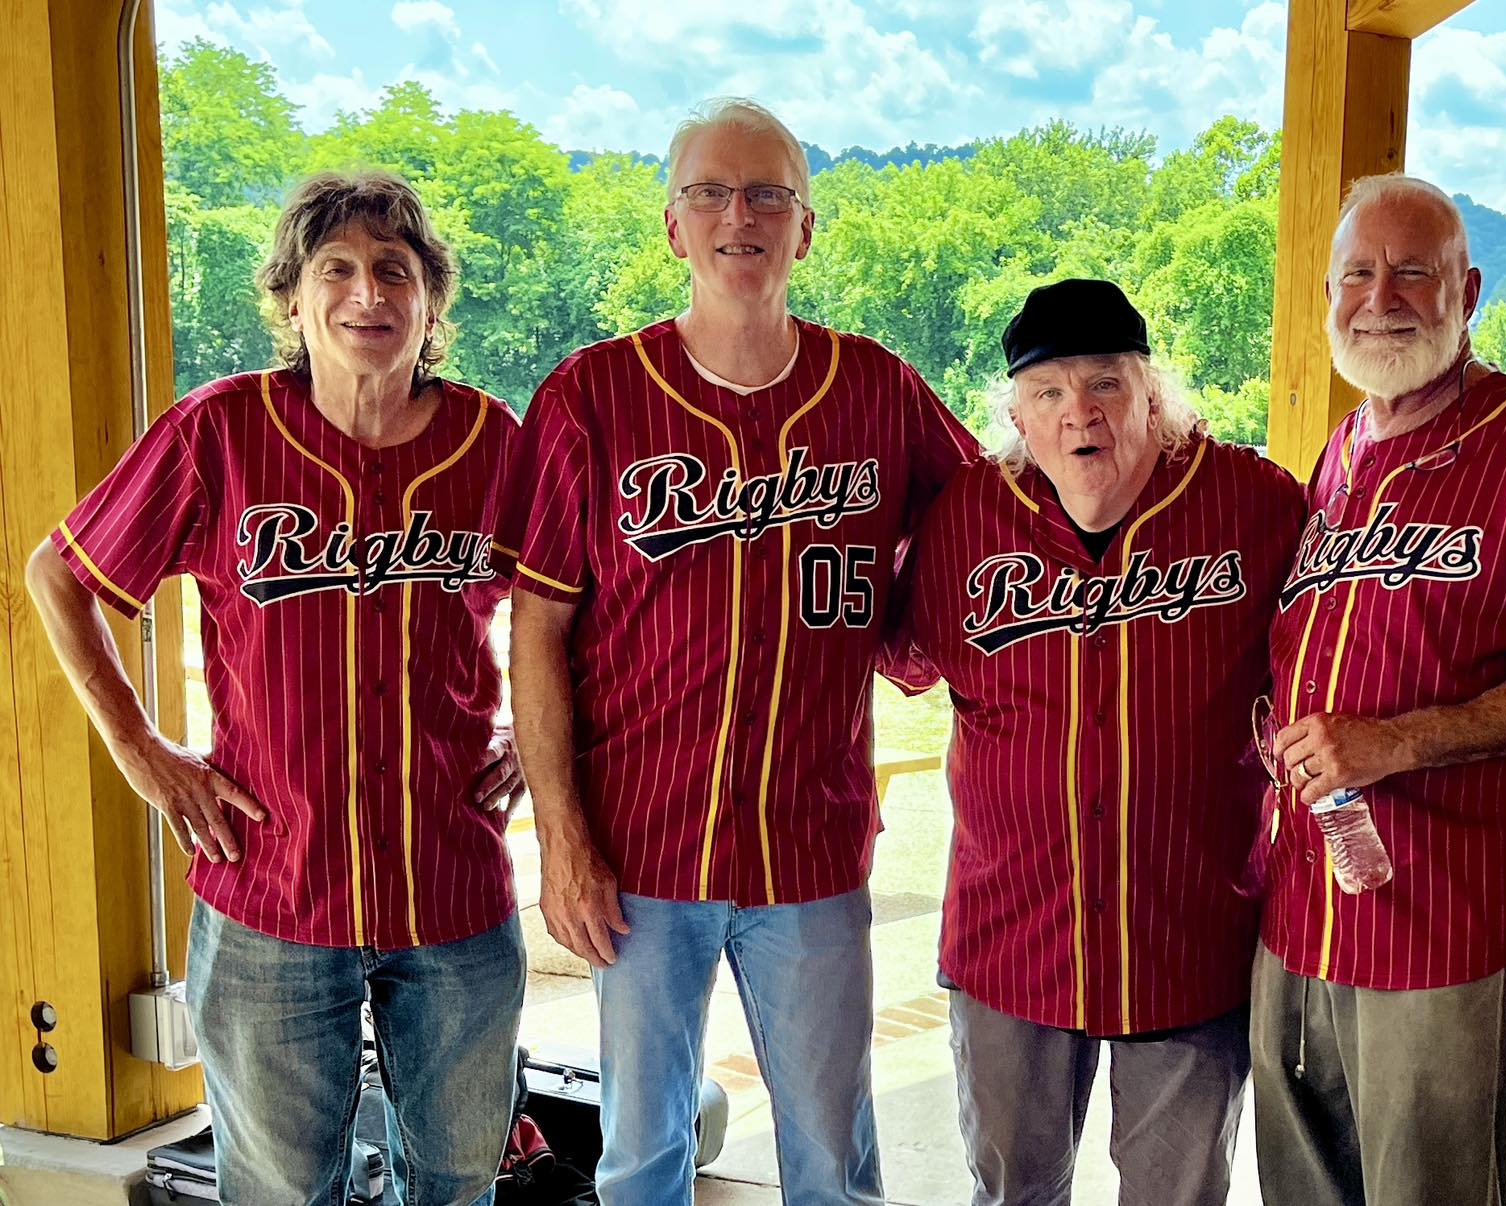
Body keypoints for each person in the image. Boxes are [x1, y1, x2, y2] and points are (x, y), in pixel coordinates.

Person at [502, 97, 978, 1205]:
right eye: (710, 193)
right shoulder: (592, 393)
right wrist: (561, 841)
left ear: (806, 227)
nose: (739, 216)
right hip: (637, 848)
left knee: (833, 1160)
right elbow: (536, 623)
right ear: (673, 225)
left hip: (810, 841)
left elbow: (990, 525)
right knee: (641, 1157)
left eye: (768, 194)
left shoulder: (877, 388)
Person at [27, 169, 525, 1204]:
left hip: (452, 882)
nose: (367, 293)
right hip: (269, 887)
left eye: (395, 270)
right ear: (292, 301)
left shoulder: (494, 445)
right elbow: (59, 577)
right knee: (278, 1190)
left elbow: (593, 602)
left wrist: (539, 741)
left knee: (461, 1182)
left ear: (431, 301)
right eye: (334, 269)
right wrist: (143, 752)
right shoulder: (220, 432)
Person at [1250, 173, 1506, 1206]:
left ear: (1467, 291)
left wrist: (1397, 740)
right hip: (1299, 908)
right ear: (1327, 296)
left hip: (1438, 918)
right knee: (1299, 1189)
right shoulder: (1340, 451)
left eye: (1412, 273)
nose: (1380, 298)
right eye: (1357, 275)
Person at [885, 278, 1304, 1204]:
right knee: (1014, 1192)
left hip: (1187, 935)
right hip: (1012, 937)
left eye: (1106, 383)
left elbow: (1328, 668)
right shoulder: (966, 518)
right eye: (1049, 392)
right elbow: (901, 657)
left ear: (1154, 394)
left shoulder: (1255, 505)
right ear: (1019, 418)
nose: (1080, 412)